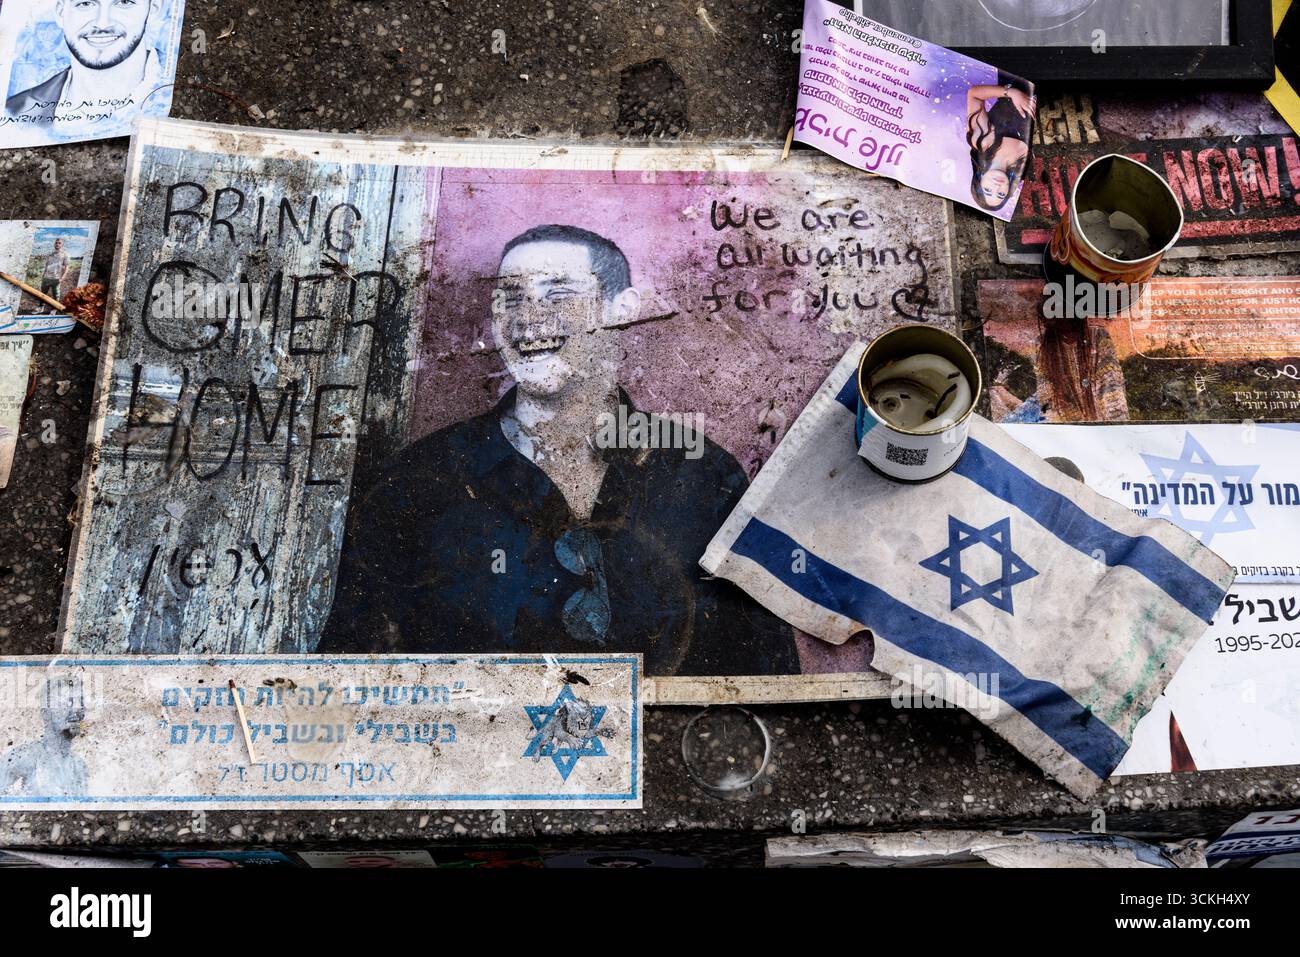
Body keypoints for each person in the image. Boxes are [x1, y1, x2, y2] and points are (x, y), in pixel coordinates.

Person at [318, 225, 798, 677]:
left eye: (560, 293)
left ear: (621, 309)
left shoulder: (702, 472)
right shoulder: (422, 478)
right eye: (509, 298)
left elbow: (765, 670)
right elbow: (355, 671)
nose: (529, 317)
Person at [5, 0, 163, 124]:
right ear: (61, 13)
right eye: (85, 3)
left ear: (153, 8)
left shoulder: (174, 93)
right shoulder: (15, 110)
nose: (103, 24)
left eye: (124, 2)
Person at [990, 312, 1129, 423]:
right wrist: (1053, 425)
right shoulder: (1043, 343)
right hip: (1055, 412)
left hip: (1094, 421)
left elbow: (1111, 387)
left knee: (1029, 410)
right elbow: (1046, 394)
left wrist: (1118, 426)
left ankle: (1008, 397)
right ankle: (1003, 394)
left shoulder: (1098, 336)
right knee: (1017, 418)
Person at [0, 676, 88, 797]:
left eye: (81, 702)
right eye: (67, 701)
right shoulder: (25, 756)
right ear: (45, 712)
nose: (77, 709)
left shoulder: (79, 766)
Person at [966, 74, 1035, 214]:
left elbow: (974, 95)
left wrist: (1010, 93)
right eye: (1001, 194)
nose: (997, 187)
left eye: (988, 190)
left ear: (979, 179)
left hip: (1014, 76)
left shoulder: (982, 142)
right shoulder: (1021, 166)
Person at [38, 238, 71, 310]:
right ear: (54, 244)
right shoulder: (50, 254)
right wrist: (43, 275)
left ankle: (54, 309)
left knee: (56, 295)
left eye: (59, 243)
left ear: (62, 245)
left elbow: (67, 267)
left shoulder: (65, 255)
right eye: (56, 243)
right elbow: (46, 265)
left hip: (56, 278)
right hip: (46, 278)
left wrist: (62, 278)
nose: (57, 244)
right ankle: (41, 307)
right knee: (42, 294)